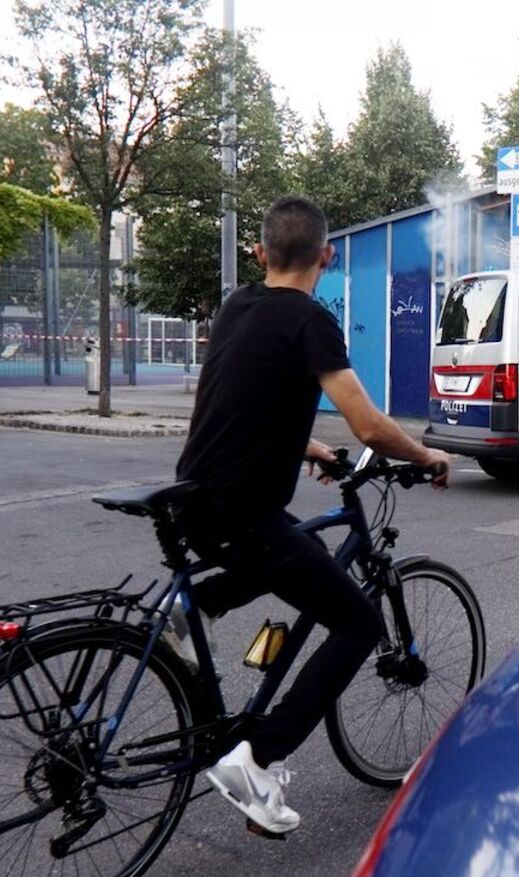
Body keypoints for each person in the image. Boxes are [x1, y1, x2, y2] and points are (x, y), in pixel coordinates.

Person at [181, 196, 451, 836]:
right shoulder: (309, 320)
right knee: (358, 622)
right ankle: (257, 763)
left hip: (195, 499)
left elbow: (237, 404)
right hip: (241, 512)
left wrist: (308, 447)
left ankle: (192, 609)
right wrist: (427, 455)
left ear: (259, 254)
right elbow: (368, 424)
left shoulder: (236, 307)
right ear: (326, 257)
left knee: (288, 554)